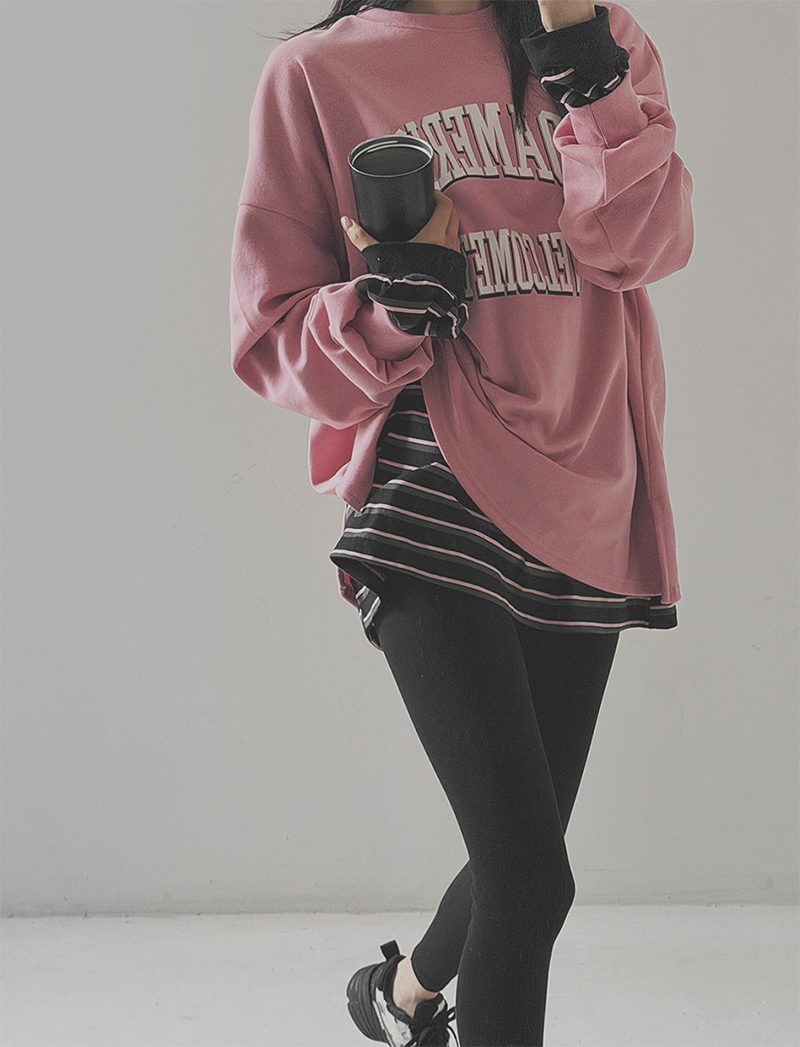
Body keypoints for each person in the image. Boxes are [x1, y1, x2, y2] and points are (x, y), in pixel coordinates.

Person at [229, 0, 694, 1044]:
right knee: (530, 876)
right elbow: (268, 333)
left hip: (585, 484)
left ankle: (400, 996)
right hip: (432, 472)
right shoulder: (317, 75)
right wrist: (393, 307)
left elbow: (646, 245)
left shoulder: (604, 43)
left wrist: (586, 73)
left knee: (517, 860)